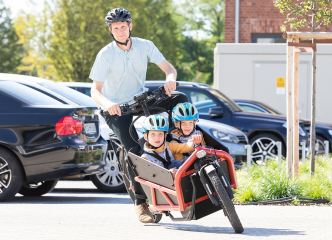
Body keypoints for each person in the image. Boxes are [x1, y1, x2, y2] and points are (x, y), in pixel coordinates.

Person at [89, 8, 188, 224]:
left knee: (180, 97)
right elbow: (95, 90)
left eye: (123, 26)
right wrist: (109, 104)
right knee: (134, 151)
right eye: (115, 28)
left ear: (130, 26)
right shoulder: (105, 54)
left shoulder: (145, 46)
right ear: (111, 31)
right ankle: (140, 203)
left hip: (140, 101)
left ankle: (178, 140)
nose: (120, 31)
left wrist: (170, 78)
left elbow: (168, 68)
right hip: (117, 109)